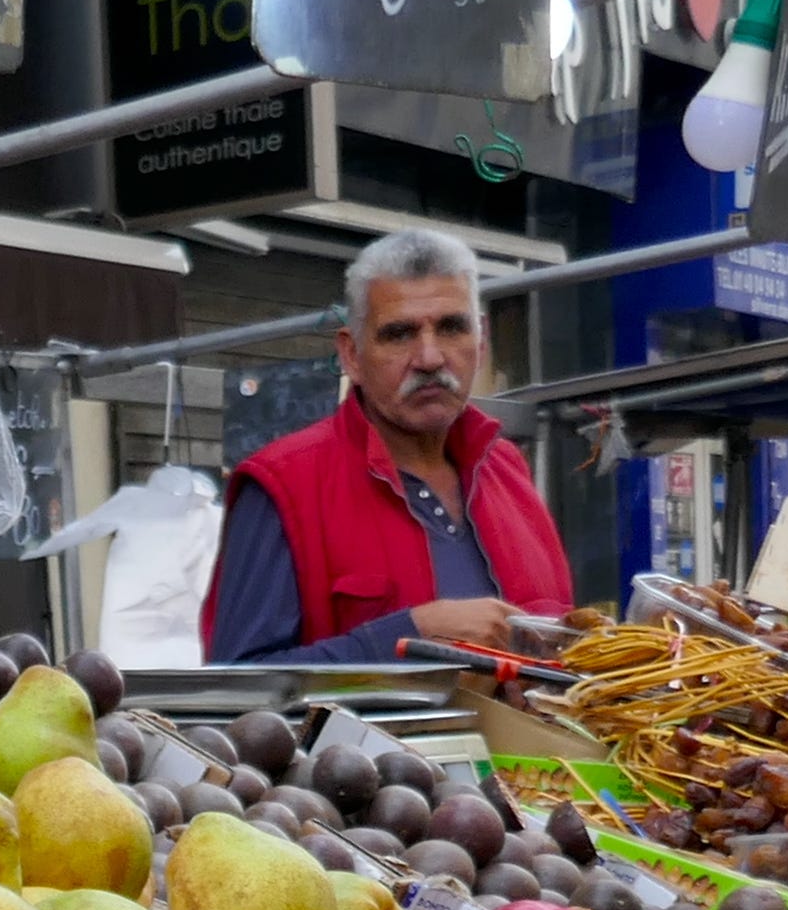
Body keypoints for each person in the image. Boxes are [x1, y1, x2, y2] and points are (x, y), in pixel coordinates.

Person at [201, 230, 576, 663]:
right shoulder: (283, 486)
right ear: (352, 355)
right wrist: (410, 635)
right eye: (400, 334)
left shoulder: (506, 468)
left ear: (481, 340)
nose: (430, 357)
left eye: (453, 327)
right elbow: (240, 688)